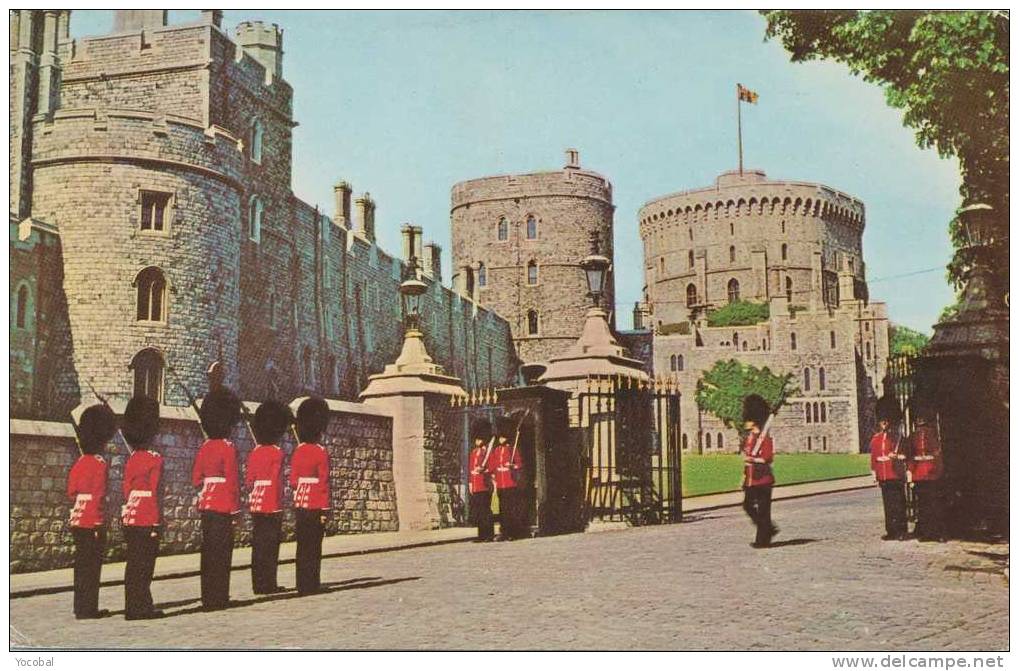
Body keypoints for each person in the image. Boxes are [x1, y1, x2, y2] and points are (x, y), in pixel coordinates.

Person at [191, 387, 242, 610]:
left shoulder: (204, 447)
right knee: (222, 552)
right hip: (222, 504)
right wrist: (235, 511)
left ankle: (207, 597)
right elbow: (232, 480)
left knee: (208, 550)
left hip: (206, 504)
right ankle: (220, 597)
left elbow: (195, 479)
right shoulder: (228, 447)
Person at [67, 403, 117, 619]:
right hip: (91, 520)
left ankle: (80, 607)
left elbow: (71, 492)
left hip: (77, 518)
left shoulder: (80, 462)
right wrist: (98, 523)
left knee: (80, 566)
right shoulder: (99, 463)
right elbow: (99, 495)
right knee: (92, 566)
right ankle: (89, 608)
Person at [121, 395, 164, 620]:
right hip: (147, 515)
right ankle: (143, 607)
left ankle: (131, 606)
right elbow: (155, 491)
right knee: (145, 565)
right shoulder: (154, 459)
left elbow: (126, 489)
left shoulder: (132, 459)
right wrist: (157, 522)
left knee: (133, 563)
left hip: (131, 515)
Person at [246, 400, 292, 594]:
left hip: (256, 501)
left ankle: (258, 583)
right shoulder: (277, 452)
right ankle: (269, 583)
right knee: (270, 545)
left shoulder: (255, 452)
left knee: (258, 544)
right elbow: (276, 480)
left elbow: (249, 480)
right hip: (271, 502)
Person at [290, 397, 331, 595]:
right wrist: (324, 509)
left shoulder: (298, 451)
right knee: (314, 546)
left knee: (302, 545)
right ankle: (312, 583)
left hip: (300, 501)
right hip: (315, 502)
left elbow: (293, 481)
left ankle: (301, 584)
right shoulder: (321, 451)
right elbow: (323, 481)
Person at [741, 394, 778, 549]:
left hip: (763, 479)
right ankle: (768, 529)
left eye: (748, 420)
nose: (746, 423)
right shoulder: (749, 438)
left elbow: (767, 458)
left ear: (754, 421)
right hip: (751, 479)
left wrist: (752, 459)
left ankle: (763, 540)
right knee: (748, 506)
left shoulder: (764, 439)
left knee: (763, 510)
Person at [870, 395, 908, 541]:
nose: (884, 423)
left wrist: (898, 456)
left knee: (898, 504)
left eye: (886, 421)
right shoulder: (876, 439)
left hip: (895, 473)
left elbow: (905, 453)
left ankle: (901, 530)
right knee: (888, 505)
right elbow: (874, 458)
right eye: (882, 421)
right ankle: (891, 530)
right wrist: (874, 474)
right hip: (884, 475)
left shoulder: (897, 437)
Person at [908, 403, 946, 542]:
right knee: (923, 506)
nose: (920, 422)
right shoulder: (913, 436)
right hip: (919, 474)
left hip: (931, 473)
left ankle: (936, 533)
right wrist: (910, 473)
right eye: (918, 419)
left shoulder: (931, 434)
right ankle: (926, 533)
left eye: (921, 419)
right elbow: (911, 456)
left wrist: (938, 470)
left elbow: (937, 454)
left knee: (934, 505)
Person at [491, 414, 525, 540]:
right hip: (500, 483)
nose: (501, 439)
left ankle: (512, 532)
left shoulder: (512, 449)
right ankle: (504, 531)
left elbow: (519, 464)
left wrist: (512, 466)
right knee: (502, 509)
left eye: (503, 437)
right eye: (500, 437)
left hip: (510, 482)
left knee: (511, 510)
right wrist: (494, 476)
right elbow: (494, 465)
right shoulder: (496, 451)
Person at [467, 418, 495, 542]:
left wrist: (484, 470)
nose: (477, 441)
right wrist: (470, 483)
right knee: (478, 511)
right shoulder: (474, 452)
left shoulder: (486, 452)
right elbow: (470, 469)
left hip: (484, 484)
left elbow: (492, 466)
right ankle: (481, 535)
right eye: (476, 439)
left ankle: (488, 534)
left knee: (485, 511)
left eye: (479, 439)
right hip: (476, 484)